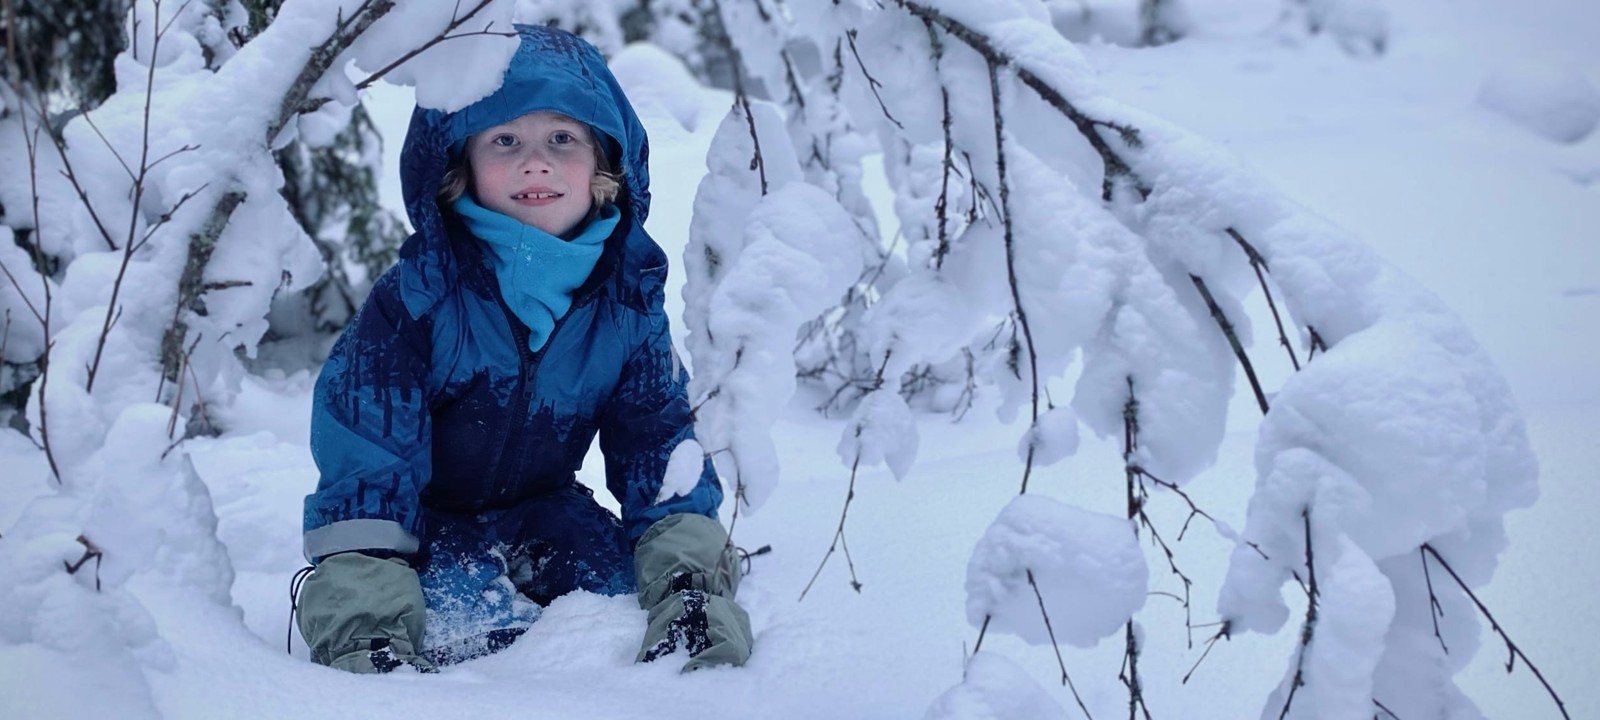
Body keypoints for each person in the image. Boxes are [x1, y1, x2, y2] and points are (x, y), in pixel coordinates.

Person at [294, 25, 751, 674]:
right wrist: (364, 617)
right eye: (505, 140)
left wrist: (690, 586)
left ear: (604, 166)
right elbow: (367, 465)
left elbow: (656, 446)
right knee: (433, 617)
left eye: (561, 139)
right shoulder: (418, 302)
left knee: (620, 589)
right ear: (459, 168)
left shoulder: (623, 301)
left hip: (545, 514)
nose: (535, 162)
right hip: (419, 527)